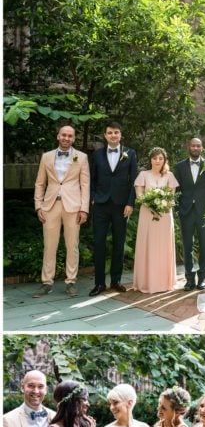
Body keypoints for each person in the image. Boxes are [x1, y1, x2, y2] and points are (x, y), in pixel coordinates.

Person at [33, 123, 90, 298]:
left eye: (70, 136)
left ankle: (71, 281)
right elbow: (40, 183)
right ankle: (46, 282)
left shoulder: (81, 157)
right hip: (50, 206)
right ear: (58, 136)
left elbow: (85, 185)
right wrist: (38, 206)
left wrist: (84, 209)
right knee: (49, 246)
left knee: (72, 245)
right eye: (63, 135)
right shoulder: (46, 157)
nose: (66, 138)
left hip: (73, 207)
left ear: (73, 138)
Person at [89, 121, 138, 296]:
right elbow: (92, 179)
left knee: (119, 243)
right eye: (110, 133)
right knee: (99, 243)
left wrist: (130, 203)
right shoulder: (96, 155)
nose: (113, 135)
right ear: (105, 135)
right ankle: (99, 283)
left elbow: (135, 180)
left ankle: (116, 281)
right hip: (101, 204)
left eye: (116, 132)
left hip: (121, 205)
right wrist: (93, 197)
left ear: (120, 135)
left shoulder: (130, 154)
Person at [173, 137, 205, 291]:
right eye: (193, 145)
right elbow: (176, 191)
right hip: (186, 212)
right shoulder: (179, 166)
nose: (195, 148)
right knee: (187, 246)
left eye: (198, 145)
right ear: (188, 146)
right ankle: (189, 279)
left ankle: (202, 278)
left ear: (202, 148)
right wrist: (178, 209)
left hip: (204, 212)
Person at [132, 147, 180, 294]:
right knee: (148, 245)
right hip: (148, 214)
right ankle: (146, 282)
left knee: (163, 246)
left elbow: (171, 197)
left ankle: (164, 282)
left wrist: (162, 206)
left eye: (160, 158)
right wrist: (152, 205)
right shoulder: (143, 175)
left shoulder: (170, 176)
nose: (157, 161)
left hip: (165, 215)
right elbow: (139, 195)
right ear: (150, 160)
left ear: (164, 160)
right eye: (154, 158)